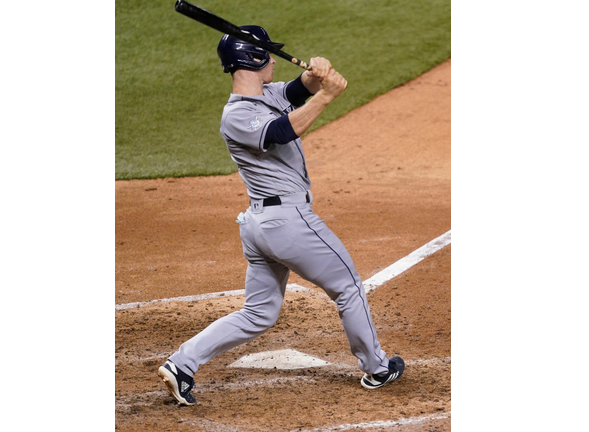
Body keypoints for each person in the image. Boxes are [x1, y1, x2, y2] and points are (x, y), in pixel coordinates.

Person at [158, 25, 404, 406]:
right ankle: (377, 367)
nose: (273, 59)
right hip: (288, 222)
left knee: (259, 313)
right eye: (268, 54)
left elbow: (294, 90)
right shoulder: (236, 116)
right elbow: (282, 130)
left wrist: (315, 73)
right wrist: (327, 96)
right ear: (253, 58)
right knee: (349, 286)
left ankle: (181, 364)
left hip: (261, 227)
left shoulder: (267, 94)